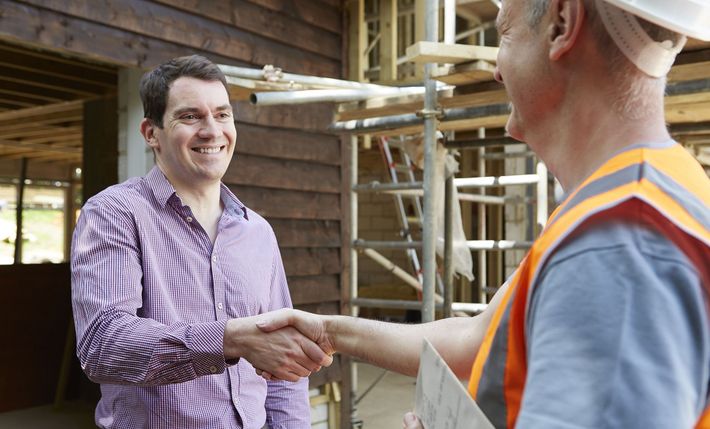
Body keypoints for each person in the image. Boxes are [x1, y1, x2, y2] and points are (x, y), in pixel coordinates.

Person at [256, 0, 710, 427]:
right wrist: (330, 332)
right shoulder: (631, 199)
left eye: (505, 34)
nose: (496, 68)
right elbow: (480, 340)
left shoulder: (619, 247)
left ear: (562, 23)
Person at [71, 55, 331, 429]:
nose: (212, 131)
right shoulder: (114, 214)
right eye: (190, 116)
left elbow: (285, 374)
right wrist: (229, 339)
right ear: (150, 133)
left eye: (222, 115)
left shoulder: (256, 232)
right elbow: (104, 344)